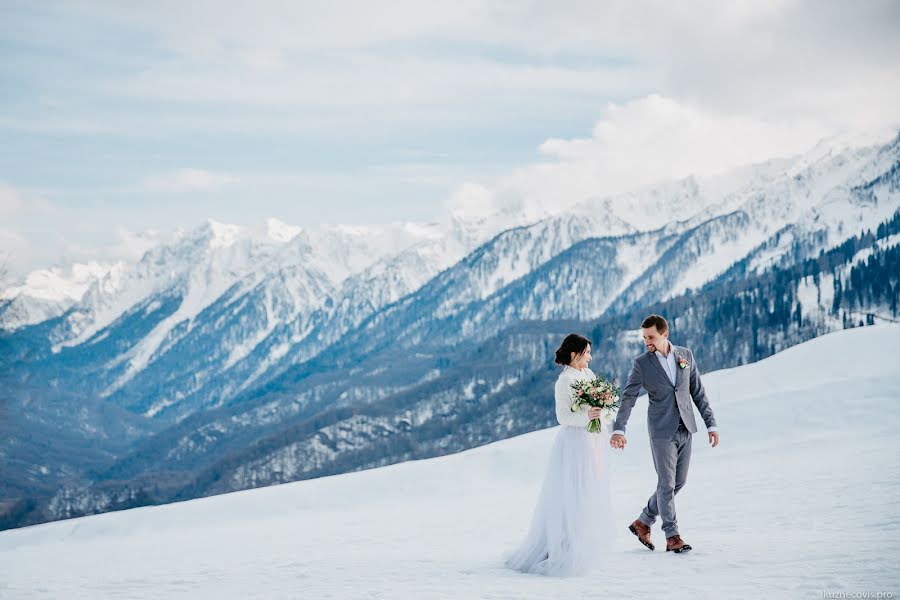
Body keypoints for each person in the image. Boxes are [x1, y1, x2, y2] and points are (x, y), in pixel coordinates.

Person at [503, 333, 615, 577]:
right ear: (574, 355)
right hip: (575, 443)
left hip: (593, 441)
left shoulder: (589, 375)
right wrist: (588, 417)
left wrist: (602, 415)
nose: (590, 357)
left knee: (588, 491)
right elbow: (563, 417)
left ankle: (581, 542)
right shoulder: (565, 381)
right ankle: (557, 546)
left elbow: (603, 410)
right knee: (570, 493)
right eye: (587, 353)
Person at [609, 314, 720, 553]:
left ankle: (643, 521)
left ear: (664, 334)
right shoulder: (642, 364)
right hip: (661, 431)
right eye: (644, 338)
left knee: (678, 482)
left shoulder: (685, 355)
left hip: (686, 427)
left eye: (651, 337)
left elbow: (697, 392)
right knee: (666, 483)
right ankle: (672, 536)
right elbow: (629, 397)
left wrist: (711, 424)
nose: (646, 342)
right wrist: (619, 428)